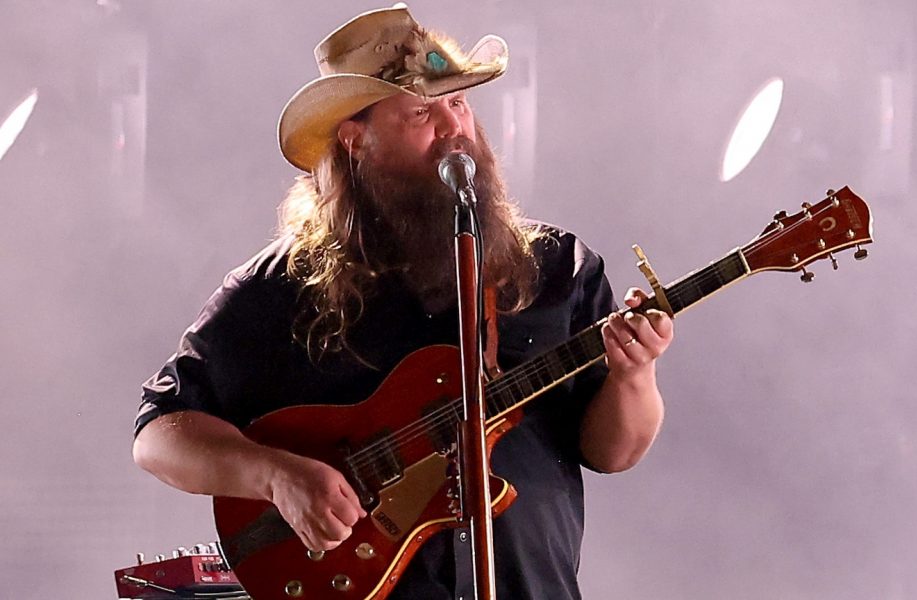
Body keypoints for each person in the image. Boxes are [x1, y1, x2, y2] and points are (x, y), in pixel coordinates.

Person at [133, 6, 673, 599]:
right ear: (356, 138)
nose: (453, 127)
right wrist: (276, 477)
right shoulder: (283, 285)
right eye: (421, 111)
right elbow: (160, 434)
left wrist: (633, 375)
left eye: (459, 103)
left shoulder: (557, 266)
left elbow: (614, 453)